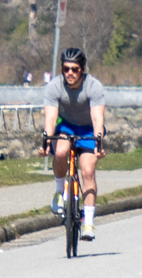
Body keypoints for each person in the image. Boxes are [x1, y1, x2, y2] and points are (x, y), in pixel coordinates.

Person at [42, 47, 109, 236]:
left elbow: (97, 118)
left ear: (82, 69)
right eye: (66, 69)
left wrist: (98, 144)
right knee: (61, 152)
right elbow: (50, 119)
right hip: (67, 127)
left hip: (88, 128)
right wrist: (46, 142)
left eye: (75, 69)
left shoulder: (93, 86)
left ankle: (88, 222)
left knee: (87, 171)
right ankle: (58, 193)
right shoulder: (54, 86)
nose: (70, 73)